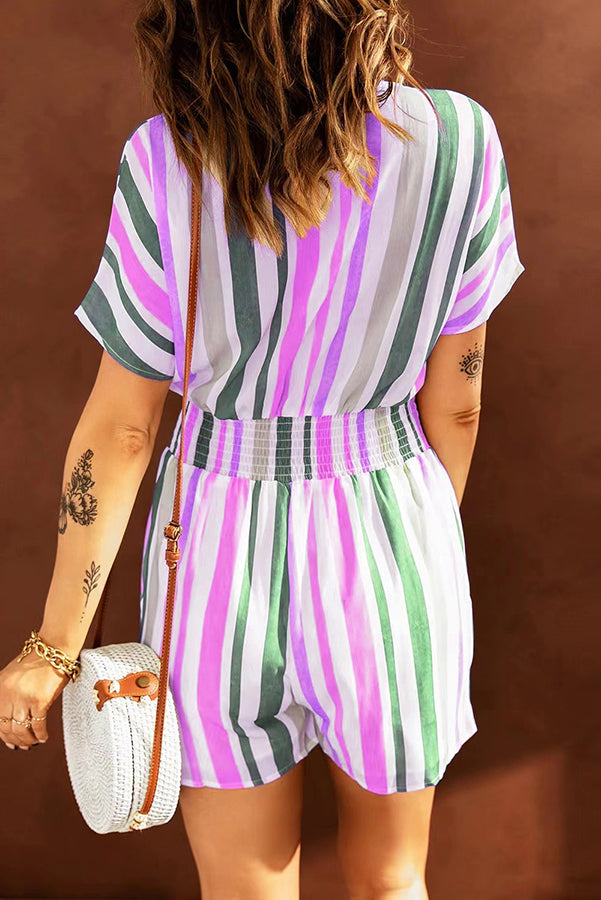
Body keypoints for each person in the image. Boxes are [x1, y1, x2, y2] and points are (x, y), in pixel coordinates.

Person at [0, 1, 525, 897]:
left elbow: (124, 429)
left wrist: (53, 650)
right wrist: (417, 546)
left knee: (244, 887)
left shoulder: (165, 157)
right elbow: (459, 404)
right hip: (391, 518)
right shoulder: (460, 141)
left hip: (215, 533)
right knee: (392, 879)